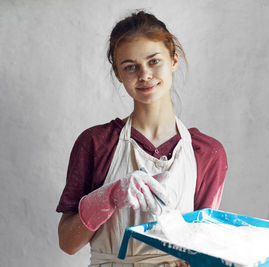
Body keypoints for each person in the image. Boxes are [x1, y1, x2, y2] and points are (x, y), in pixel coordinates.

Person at [56, 10, 228, 267]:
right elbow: (68, 243)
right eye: (131, 67)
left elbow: (202, 248)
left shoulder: (207, 152)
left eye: (154, 61)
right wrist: (109, 197)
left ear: (174, 60)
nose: (145, 74)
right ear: (118, 74)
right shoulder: (95, 143)